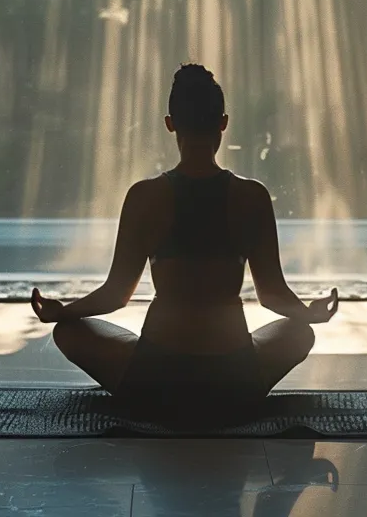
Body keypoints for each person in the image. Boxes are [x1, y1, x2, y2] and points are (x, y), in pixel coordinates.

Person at [29, 63, 339, 418]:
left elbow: (116, 293)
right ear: (223, 122)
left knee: (69, 332)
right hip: (234, 380)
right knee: (300, 333)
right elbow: (272, 294)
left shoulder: (143, 197)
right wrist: (309, 314)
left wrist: (62, 312)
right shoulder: (252, 197)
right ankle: (228, 400)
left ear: (170, 123)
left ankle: (155, 401)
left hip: (155, 378)